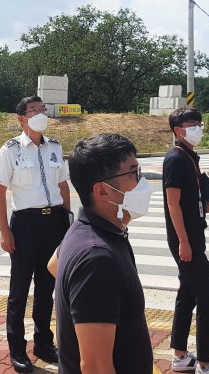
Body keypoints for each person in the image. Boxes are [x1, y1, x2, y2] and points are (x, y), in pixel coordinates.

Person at [50, 133, 154, 373]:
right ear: (103, 191)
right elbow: (96, 367)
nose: (142, 181)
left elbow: (54, 265)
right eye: (133, 173)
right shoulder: (97, 258)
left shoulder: (87, 230)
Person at [0, 95, 71, 372]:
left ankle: (44, 343)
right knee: (19, 291)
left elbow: (63, 186)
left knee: (47, 288)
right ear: (21, 118)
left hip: (54, 224)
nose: (40, 113)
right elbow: (0, 191)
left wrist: (68, 223)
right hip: (25, 225)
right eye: (34, 110)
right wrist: (5, 231)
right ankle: (17, 350)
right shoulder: (10, 149)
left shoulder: (56, 147)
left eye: (42, 109)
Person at [162, 106, 209, 374]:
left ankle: (179, 356)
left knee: (187, 294)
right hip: (185, 240)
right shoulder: (176, 159)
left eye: (199, 123)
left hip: (193, 235)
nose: (197, 127)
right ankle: (204, 364)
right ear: (178, 130)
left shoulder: (189, 157)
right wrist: (184, 243)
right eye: (191, 124)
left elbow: (187, 200)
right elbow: (172, 205)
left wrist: (204, 204)